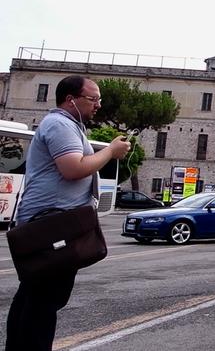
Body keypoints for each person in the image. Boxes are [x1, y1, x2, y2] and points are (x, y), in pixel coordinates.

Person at [5, 75, 131, 350]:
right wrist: (110, 150)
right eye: (93, 99)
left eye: (99, 99)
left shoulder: (68, 125)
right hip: (52, 225)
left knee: (34, 296)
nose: (98, 105)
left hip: (52, 222)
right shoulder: (61, 124)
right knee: (45, 300)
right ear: (70, 99)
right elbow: (73, 168)